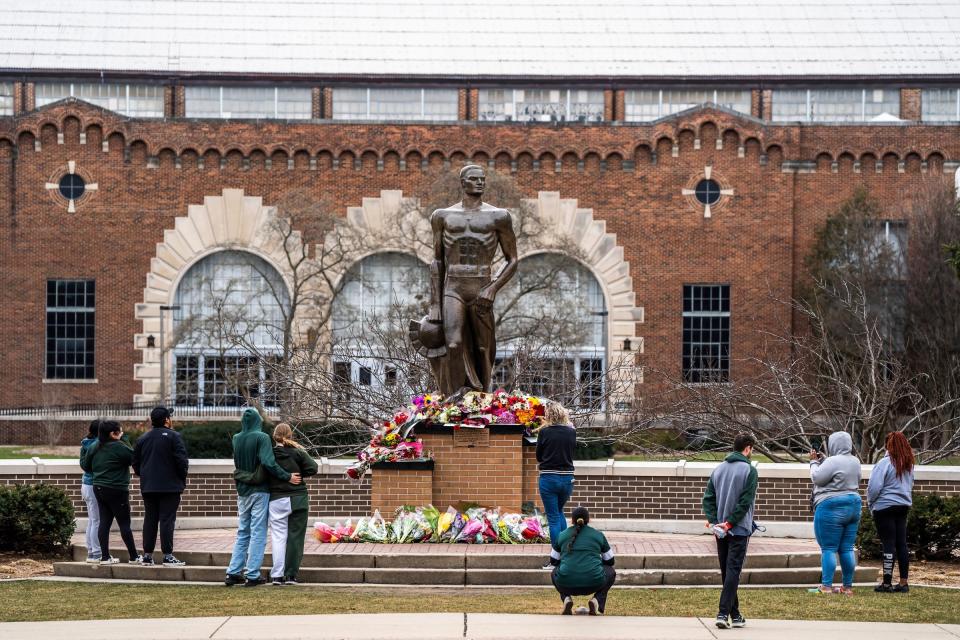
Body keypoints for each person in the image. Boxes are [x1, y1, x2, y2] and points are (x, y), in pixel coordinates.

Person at [225, 408, 301, 587]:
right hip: (260, 490)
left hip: (242, 490)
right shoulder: (262, 437)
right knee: (258, 531)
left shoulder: (236, 438)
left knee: (243, 531)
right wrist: (287, 476)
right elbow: (268, 462)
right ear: (258, 421)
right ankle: (252, 574)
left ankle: (233, 572)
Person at [702, 433, 759, 629]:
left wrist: (716, 522)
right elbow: (745, 502)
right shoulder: (750, 471)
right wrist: (730, 523)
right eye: (752, 449)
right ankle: (723, 613)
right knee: (733, 571)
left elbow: (708, 498)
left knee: (727, 572)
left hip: (721, 531)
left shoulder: (718, 470)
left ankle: (736, 616)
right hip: (739, 529)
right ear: (748, 448)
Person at [79, 420, 143, 565]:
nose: (122, 433)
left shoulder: (94, 446)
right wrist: (124, 440)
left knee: (104, 523)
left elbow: (87, 465)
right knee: (124, 523)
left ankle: (105, 557)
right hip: (117, 489)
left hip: (98, 488)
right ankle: (134, 556)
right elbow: (134, 458)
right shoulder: (119, 446)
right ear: (113, 434)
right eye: (120, 431)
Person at [132, 406, 189, 567]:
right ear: (166, 420)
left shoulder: (142, 438)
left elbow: (135, 463)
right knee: (166, 520)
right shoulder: (174, 437)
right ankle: (168, 556)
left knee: (150, 519)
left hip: (149, 486)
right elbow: (182, 462)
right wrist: (180, 479)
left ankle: (148, 556)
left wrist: (146, 476)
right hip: (170, 487)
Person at [808, 431, 862, 595]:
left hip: (831, 505)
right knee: (846, 548)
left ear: (833, 444)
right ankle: (847, 587)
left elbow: (817, 478)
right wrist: (823, 461)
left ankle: (826, 586)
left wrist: (813, 462)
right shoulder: (855, 461)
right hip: (854, 504)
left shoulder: (832, 461)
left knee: (829, 548)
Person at [265, 423, 318, 585]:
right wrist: (300, 474)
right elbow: (313, 468)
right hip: (298, 499)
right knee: (296, 537)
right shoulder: (298, 452)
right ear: (290, 435)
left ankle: (277, 575)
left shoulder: (269, 454)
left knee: (278, 537)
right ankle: (291, 575)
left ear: (274, 436)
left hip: (276, 500)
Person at [867, 431, 915, 593]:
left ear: (888, 445)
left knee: (888, 543)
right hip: (903, 506)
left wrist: (870, 503)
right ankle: (903, 583)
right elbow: (910, 485)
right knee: (901, 544)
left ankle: (886, 583)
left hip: (884, 507)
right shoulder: (908, 464)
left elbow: (874, 488)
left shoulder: (884, 463)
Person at [549, 506, 615, 616]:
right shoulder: (598, 535)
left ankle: (566, 599)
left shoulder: (562, 535)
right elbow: (610, 561)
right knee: (611, 572)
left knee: (554, 572)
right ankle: (597, 601)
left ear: (572, 520)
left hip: (566, 583)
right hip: (594, 582)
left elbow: (553, 560)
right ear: (589, 520)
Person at [536, 402, 577, 569]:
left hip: (549, 477)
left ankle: (556, 560)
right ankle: (566, 554)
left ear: (549, 414)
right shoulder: (571, 432)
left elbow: (539, 455)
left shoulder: (544, 432)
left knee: (553, 517)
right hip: (567, 479)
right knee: (559, 513)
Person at [79, 420, 102, 563]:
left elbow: (83, 465)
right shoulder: (97, 446)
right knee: (97, 521)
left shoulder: (84, 444)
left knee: (92, 521)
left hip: (85, 485)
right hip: (93, 485)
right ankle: (96, 553)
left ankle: (91, 551)